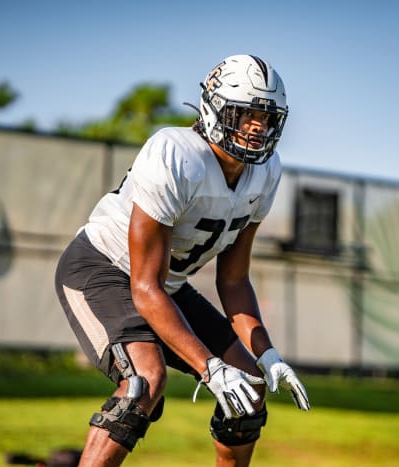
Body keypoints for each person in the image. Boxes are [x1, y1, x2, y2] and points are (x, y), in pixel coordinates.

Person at [54, 54, 310, 467]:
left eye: (265, 117)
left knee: (250, 387)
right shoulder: (175, 154)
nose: (256, 126)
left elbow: (234, 280)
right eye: (245, 114)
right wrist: (210, 368)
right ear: (214, 109)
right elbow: (144, 288)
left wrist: (268, 355)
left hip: (165, 284)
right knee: (144, 381)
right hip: (104, 268)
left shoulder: (265, 172)